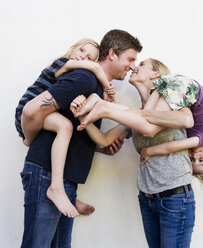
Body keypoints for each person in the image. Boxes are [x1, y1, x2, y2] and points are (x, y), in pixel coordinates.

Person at [71, 58, 203, 247]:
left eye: (142, 64)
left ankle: (103, 107)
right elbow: (104, 140)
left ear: (155, 75)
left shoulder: (175, 100)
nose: (135, 67)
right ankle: (102, 107)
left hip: (174, 198)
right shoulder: (135, 116)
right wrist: (81, 116)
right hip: (147, 199)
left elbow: (177, 122)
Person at [19, 29, 142, 248]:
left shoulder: (95, 87)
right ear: (113, 54)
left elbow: (74, 128)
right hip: (46, 175)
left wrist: (99, 148)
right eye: (131, 59)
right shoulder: (84, 78)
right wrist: (28, 138)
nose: (133, 66)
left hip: (65, 180)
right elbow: (30, 111)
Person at [15, 38, 115, 217]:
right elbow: (95, 68)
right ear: (73, 49)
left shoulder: (75, 73)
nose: (82, 57)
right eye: (82, 50)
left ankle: (68, 196)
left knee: (67, 126)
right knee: (65, 126)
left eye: (89, 57)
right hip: (26, 110)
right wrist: (107, 88)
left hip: (42, 115)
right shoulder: (61, 63)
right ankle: (56, 188)